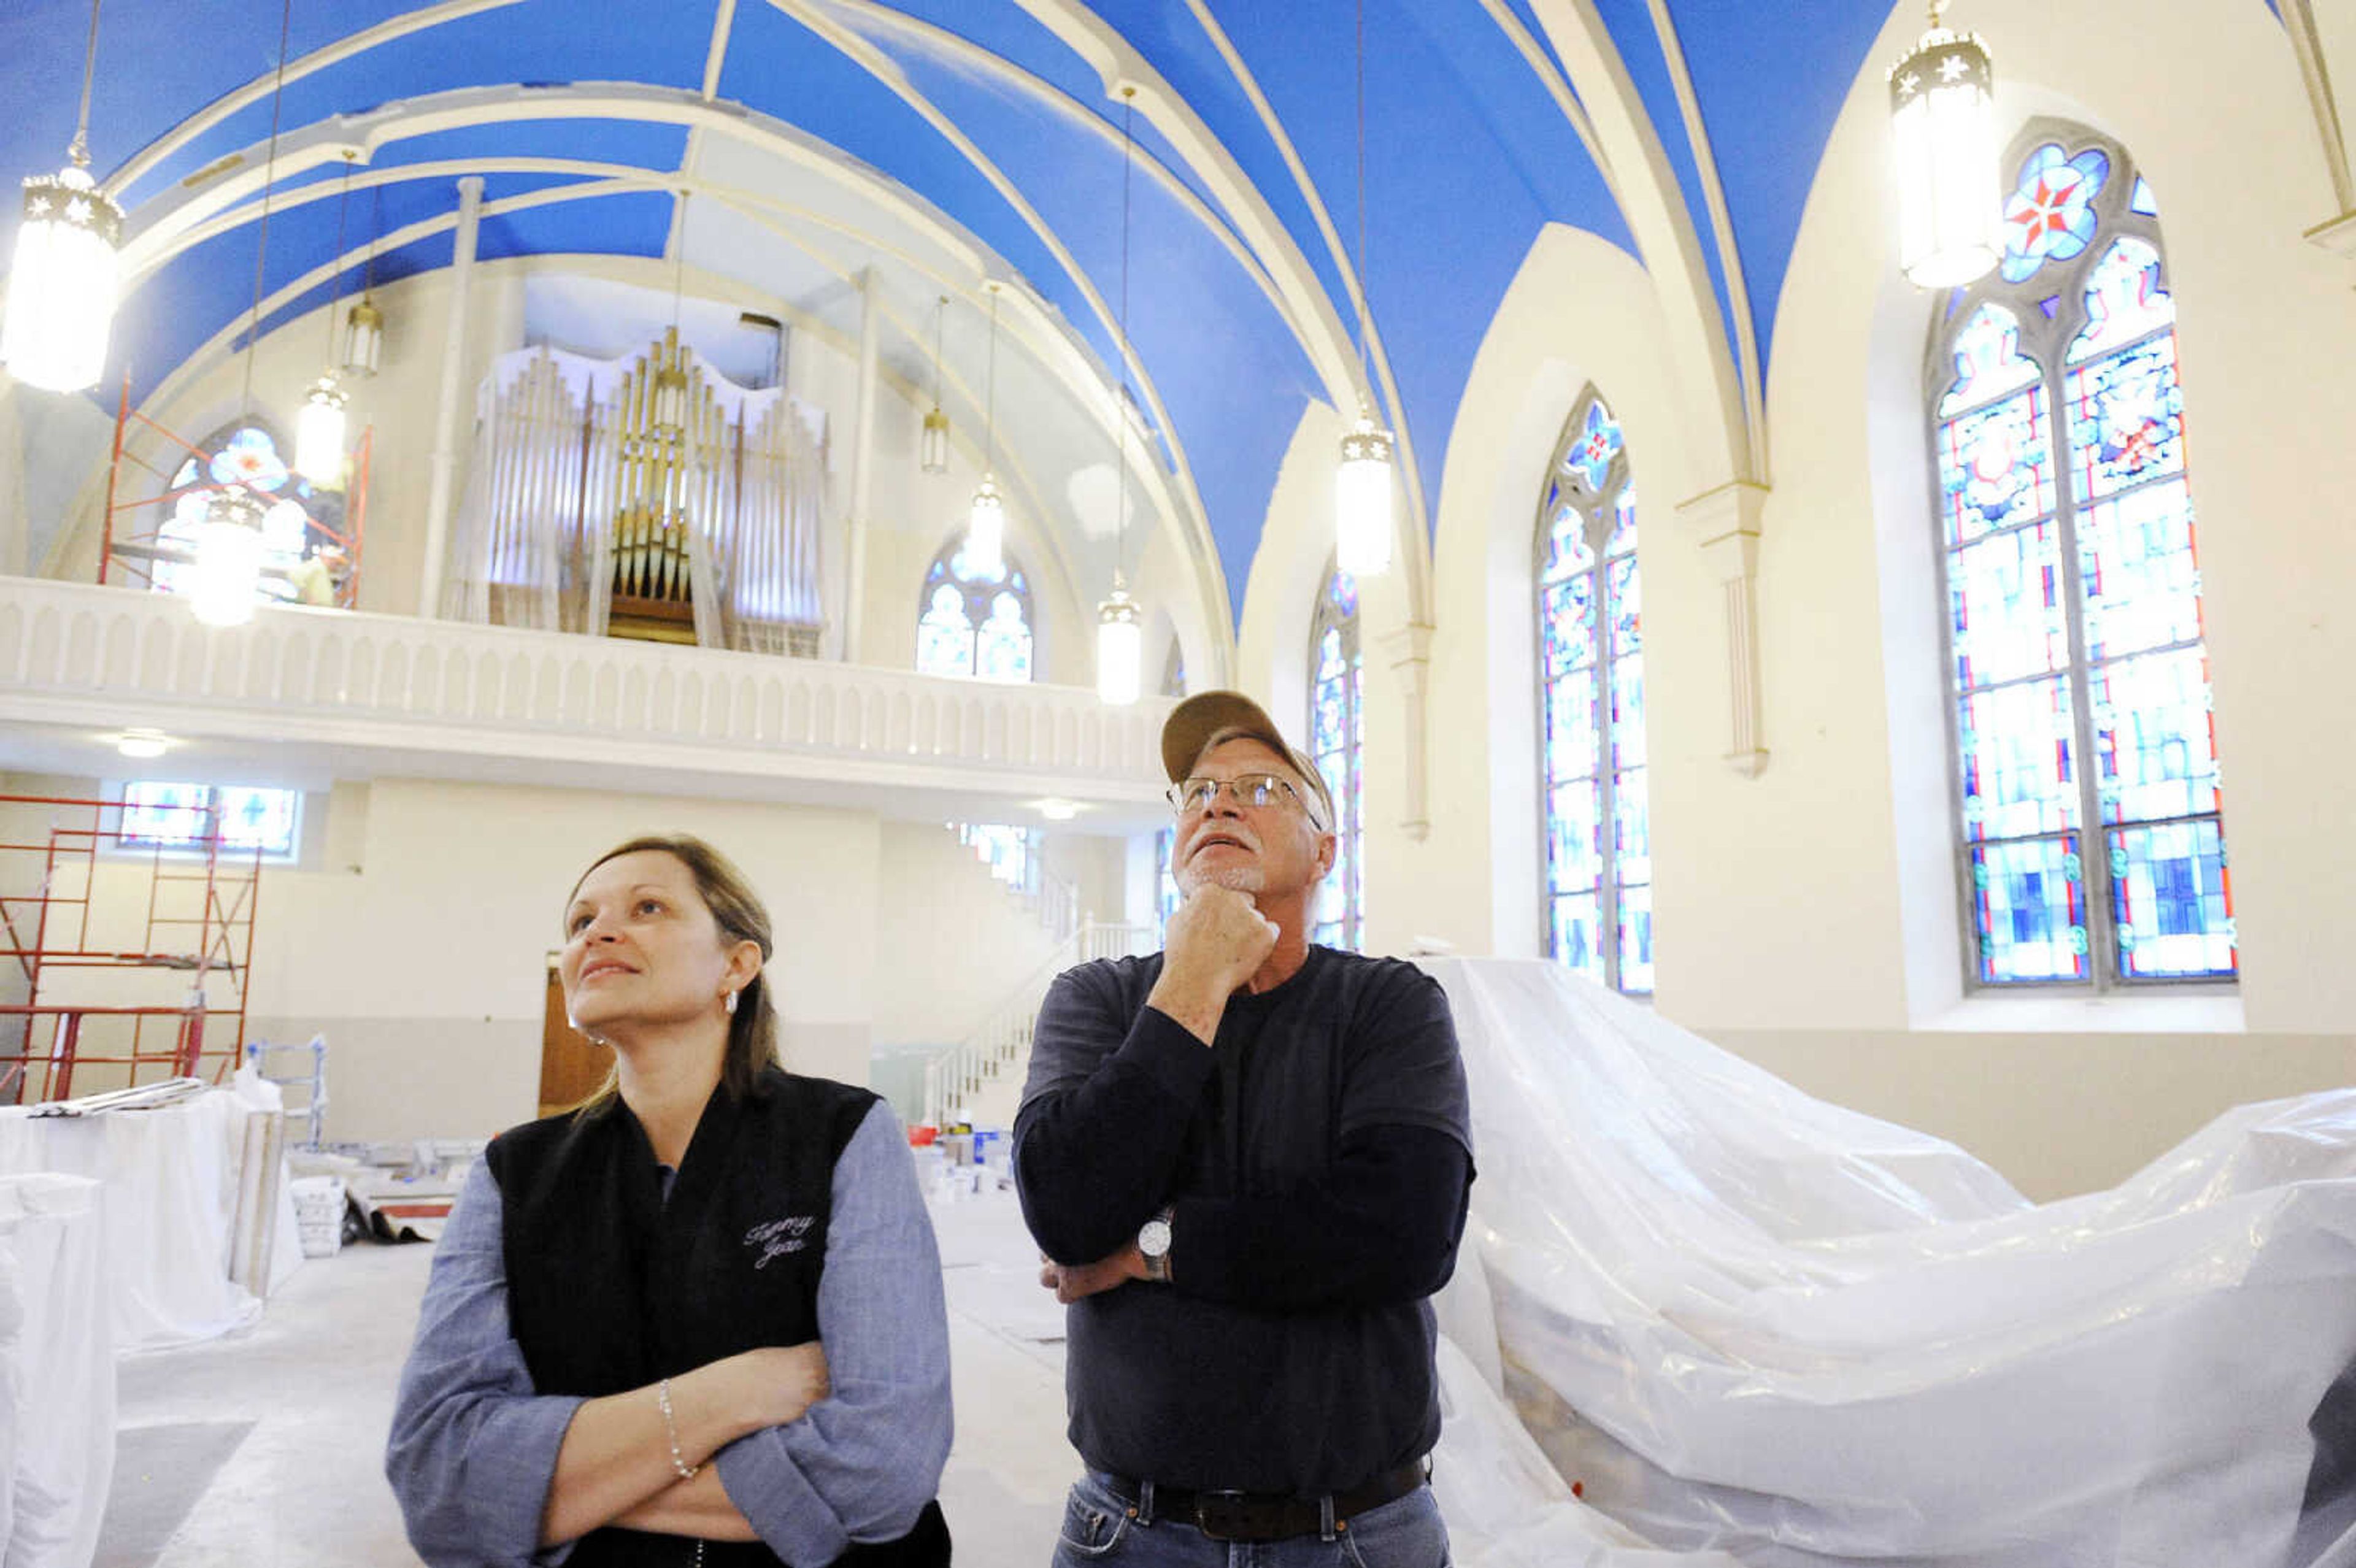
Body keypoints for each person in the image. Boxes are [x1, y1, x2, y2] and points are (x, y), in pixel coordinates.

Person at [387, 834, 952, 1567]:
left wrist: (540, 1493)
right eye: (579, 922)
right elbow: (437, 1479)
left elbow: (882, 1468)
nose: (599, 932)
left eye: (647, 907)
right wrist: (734, 1393)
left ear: (738, 963)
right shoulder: (513, 1172)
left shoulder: (844, 1133)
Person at [1014, 691, 1475, 1567]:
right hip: (1133, 1531)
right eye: (1196, 792)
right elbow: (1067, 1210)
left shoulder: (1389, 1005)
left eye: (1261, 786)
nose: (1217, 802)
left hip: (1359, 1535)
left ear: (1325, 850)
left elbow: (1403, 1236)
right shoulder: (1100, 999)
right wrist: (1192, 982)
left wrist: (1147, 1250)